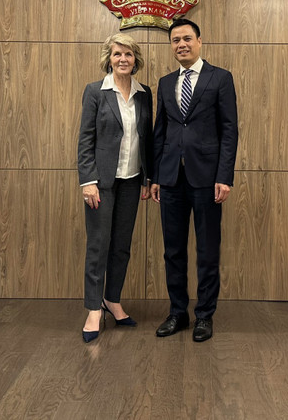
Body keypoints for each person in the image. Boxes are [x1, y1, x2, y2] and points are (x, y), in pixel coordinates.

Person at [151, 18, 238, 342]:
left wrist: (224, 176)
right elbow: (161, 132)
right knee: (172, 251)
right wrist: (156, 176)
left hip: (206, 179)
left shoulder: (221, 79)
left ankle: (204, 315)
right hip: (171, 178)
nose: (181, 44)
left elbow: (230, 131)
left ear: (199, 42)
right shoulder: (165, 82)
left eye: (187, 38)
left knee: (207, 250)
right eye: (175, 40)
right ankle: (177, 313)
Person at [78, 33, 153, 343]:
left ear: (136, 60)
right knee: (98, 245)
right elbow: (85, 139)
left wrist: (148, 179)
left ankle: (112, 299)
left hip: (133, 181)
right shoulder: (95, 92)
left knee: (122, 244)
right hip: (102, 183)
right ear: (108, 58)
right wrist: (88, 181)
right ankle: (94, 308)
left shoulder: (145, 93)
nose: (123, 59)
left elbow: (147, 140)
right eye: (117, 54)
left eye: (129, 54)